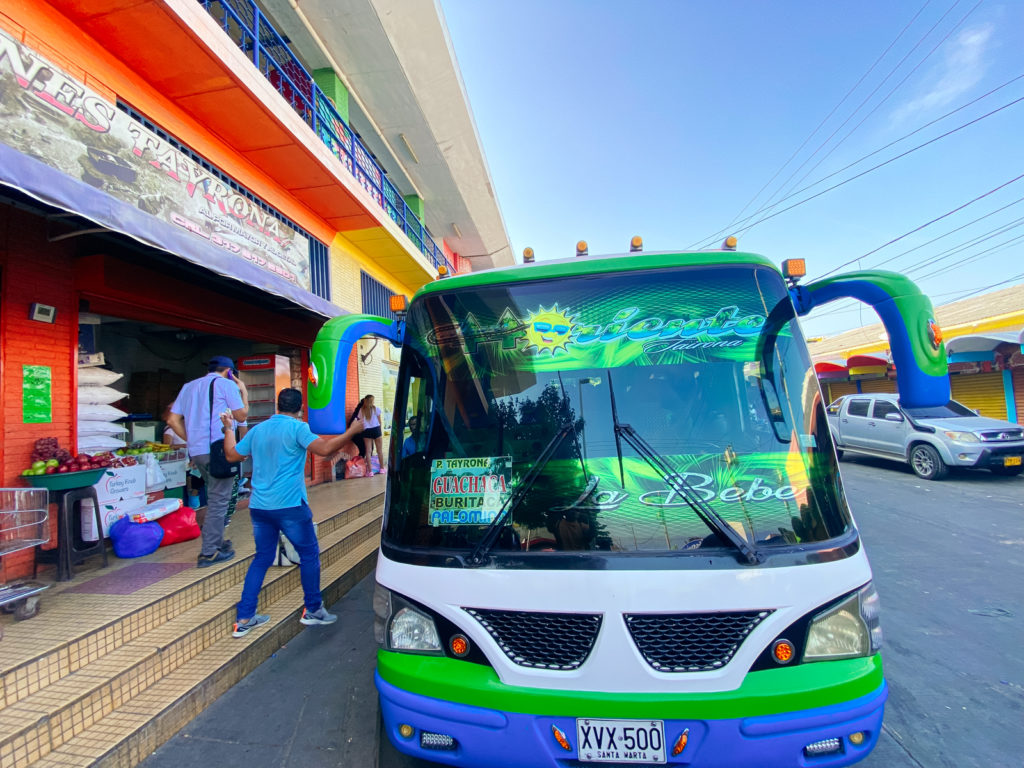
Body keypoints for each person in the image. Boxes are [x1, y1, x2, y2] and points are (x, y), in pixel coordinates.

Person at [221, 388, 364, 637]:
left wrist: (227, 429)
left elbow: (232, 454)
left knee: (262, 558)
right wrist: (351, 432)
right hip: (290, 506)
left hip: (260, 507)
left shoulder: (258, 430)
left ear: (278, 405)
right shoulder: (298, 428)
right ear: (300, 409)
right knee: (309, 555)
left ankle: (244, 617)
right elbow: (324, 449)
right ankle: (313, 609)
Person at [166, 356, 249, 567]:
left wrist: (191, 440)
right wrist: (244, 391)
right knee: (219, 500)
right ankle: (209, 552)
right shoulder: (225, 384)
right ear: (230, 372)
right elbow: (241, 416)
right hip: (218, 450)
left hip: (197, 452)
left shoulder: (189, 386)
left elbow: (172, 420)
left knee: (215, 496)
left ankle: (218, 541)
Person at [360, 394, 384, 475]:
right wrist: (380, 431)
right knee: (379, 450)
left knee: (368, 451)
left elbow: (360, 421)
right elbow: (379, 422)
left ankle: (370, 472)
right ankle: (382, 469)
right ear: (372, 401)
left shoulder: (361, 410)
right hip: (376, 429)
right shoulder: (376, 409)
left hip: (366, 431)